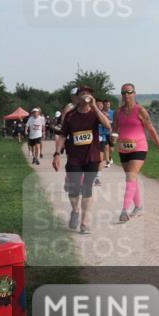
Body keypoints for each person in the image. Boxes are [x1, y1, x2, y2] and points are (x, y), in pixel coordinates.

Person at [52, 86, 111, 234]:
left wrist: (95, 108)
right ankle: (75, 211)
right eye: (83, 94)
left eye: (89, 94)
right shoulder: (71, 115)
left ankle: (85, 222)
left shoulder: (95, 113)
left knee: (87, 188)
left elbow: (108, 126)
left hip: (92, 157)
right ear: (77, 98)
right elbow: (63, 135)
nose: (86, 96)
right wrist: (57, 154)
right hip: (74, 158)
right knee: (74, 189)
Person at [112, 83, 159, 223]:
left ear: (134, 93)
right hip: (124, 148)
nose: (126, 95)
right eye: (123, 93)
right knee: (132, 178)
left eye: (129, 92)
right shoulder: (118, 112)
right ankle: (138, 207)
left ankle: (124, 210)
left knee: (130, 176)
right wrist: (112, 139)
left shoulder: (140, 110)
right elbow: (115, 129)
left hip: (139, 147)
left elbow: (151, 130)